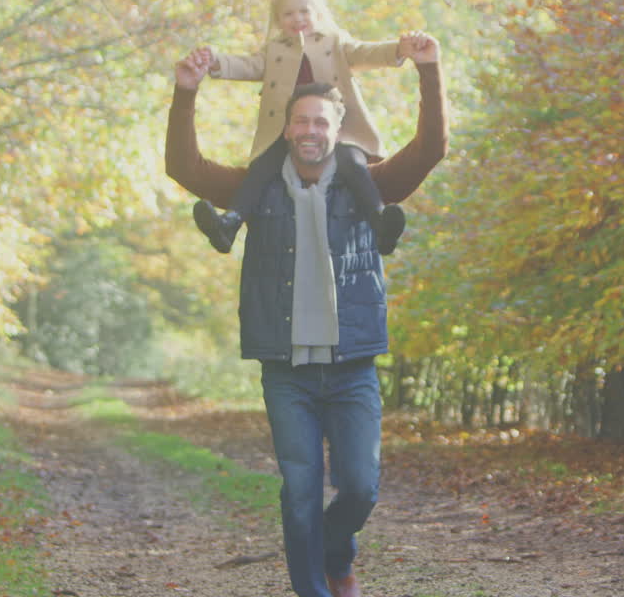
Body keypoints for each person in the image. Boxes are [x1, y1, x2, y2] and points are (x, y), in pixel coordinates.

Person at [164, 31, 447, 597]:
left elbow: (431, 148)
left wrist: (429, 71)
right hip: (287, 371)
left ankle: (336, 552)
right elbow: (184, 165)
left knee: (362, 489)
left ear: (337, 129)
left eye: (322, 122)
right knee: (298, 493)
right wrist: (186, 93)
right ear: (286, 128)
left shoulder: (368, 184)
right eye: (301, 122)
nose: (310, 131)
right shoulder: (258, 186)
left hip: (353, 368)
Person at [191, 0, 420, 256]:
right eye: (288, 13)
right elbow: (248, 66)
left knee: (352, 162)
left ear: (318, 13)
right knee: (261, 168)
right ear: (277, 19)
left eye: (304, 11)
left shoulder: (334, 41)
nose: (297, 18)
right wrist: (216, 60)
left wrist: (398, 49)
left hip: (335, 130)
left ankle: (379, 222)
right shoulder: (275, 50)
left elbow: (365, 51)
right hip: (288, 131)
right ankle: (231, 223)